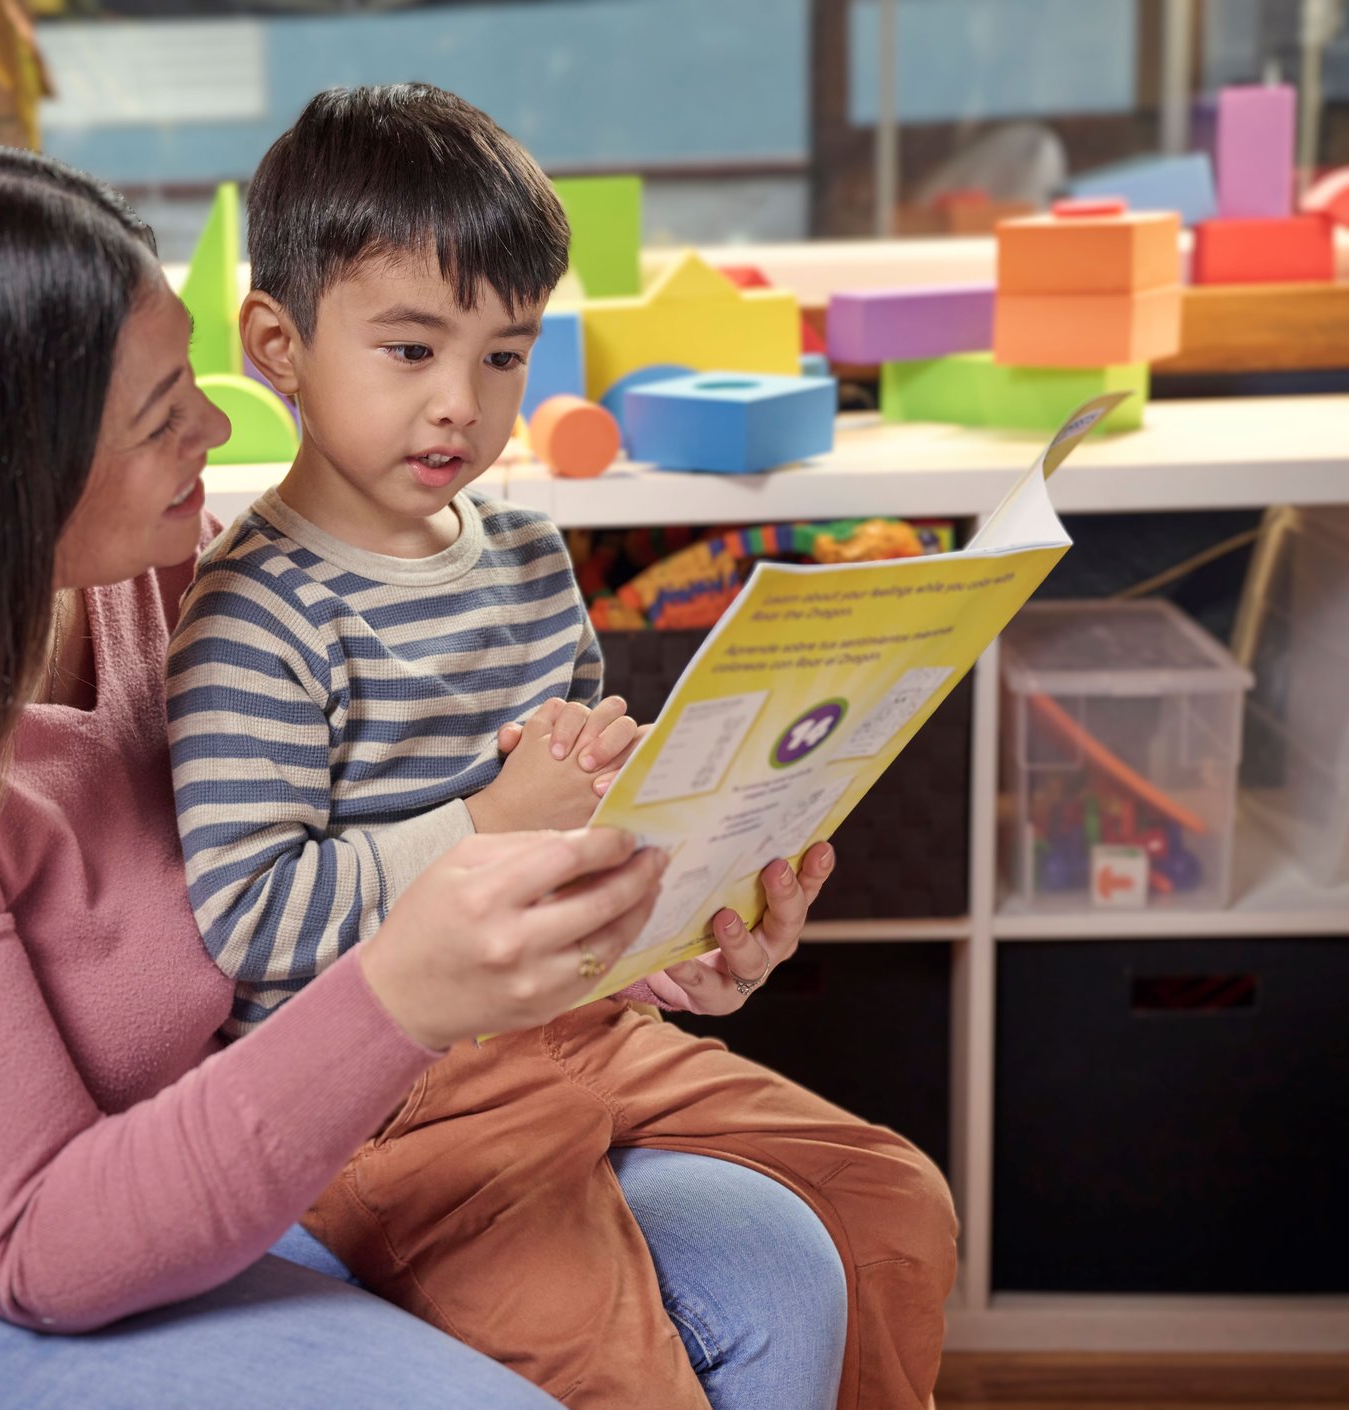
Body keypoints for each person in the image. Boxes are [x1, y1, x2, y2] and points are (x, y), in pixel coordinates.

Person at [0, 137, 883, 1410]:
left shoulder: (161, 582)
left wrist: (642, 932)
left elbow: (360, 845)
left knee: (780, 1274)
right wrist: (401, 992)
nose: (216, 420)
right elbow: (38, 1240)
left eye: (189, 376)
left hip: (235, 1161)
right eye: (157, 417)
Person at [169, 86, 956, 1410]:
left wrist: (686, 925)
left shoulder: (531, 559)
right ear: (276, 343)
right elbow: (245, 917)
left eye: (501, 356)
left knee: (891, 1197)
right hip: (394, 1091)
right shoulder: (258, 613)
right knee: (610, 1361)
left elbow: (587, 844)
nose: (460, 407)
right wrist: (494, 825)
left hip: (578, 1026)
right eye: (410, 350)